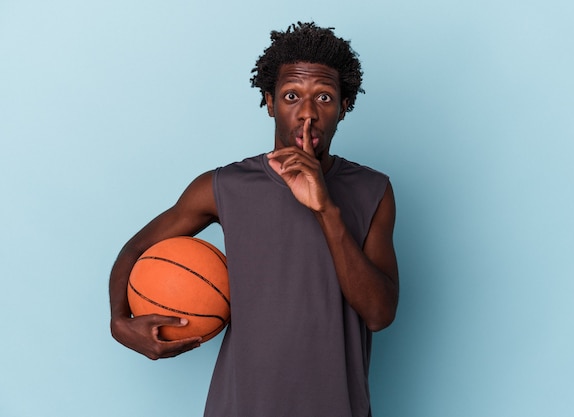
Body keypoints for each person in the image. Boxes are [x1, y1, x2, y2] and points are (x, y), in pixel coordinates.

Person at [109, 21, 399, 417]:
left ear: (345, 107)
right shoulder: (223, 186)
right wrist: (119, 321)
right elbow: (135, 249)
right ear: (269, 101)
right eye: (291, 96)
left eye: (325, 97)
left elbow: (380, 315)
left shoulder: (373, 191)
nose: (307, 115)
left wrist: (326, 210)